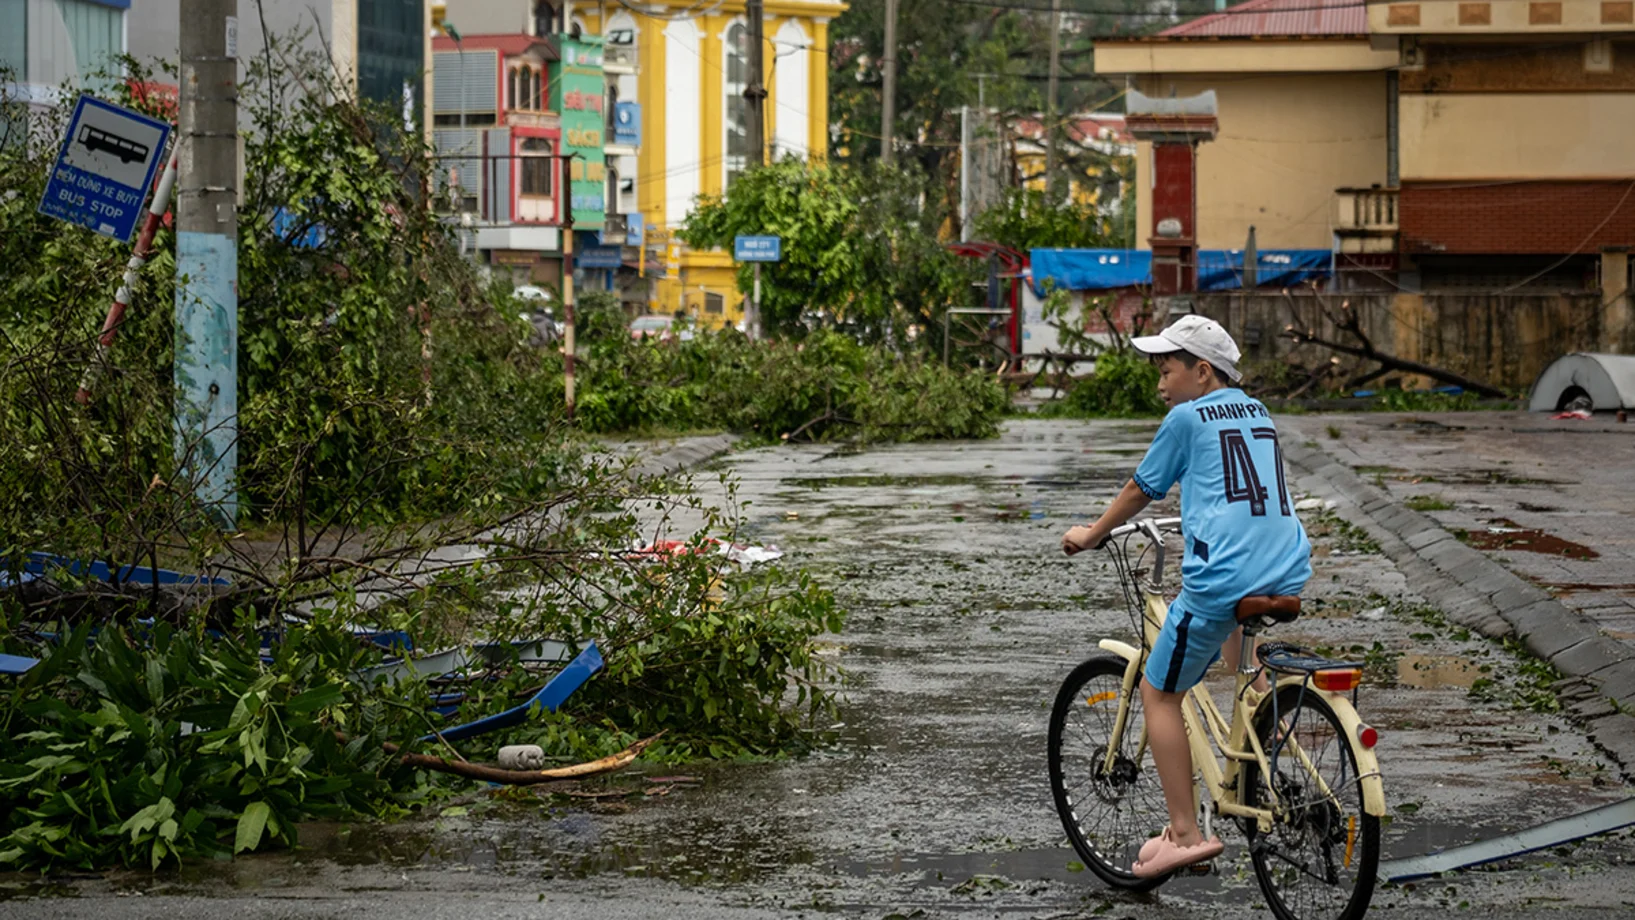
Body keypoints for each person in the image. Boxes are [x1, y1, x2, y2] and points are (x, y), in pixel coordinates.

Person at [1059, 314, 1312, 878]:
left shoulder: (1185, 417)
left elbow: (1138, 490)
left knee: (1159, 692)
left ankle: (1185, 832)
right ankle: (1258, 761)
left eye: (1166, 368)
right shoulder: (1259, 411)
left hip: (1223, 578)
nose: (1159, 382)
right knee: (1238, 663)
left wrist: (1091, 534)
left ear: (1202, 371)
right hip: (1285, 568)